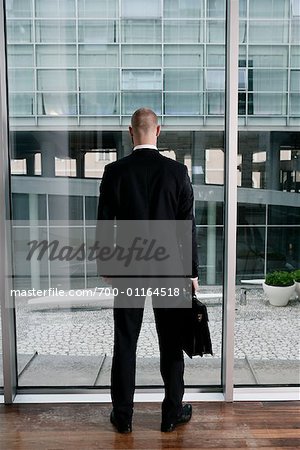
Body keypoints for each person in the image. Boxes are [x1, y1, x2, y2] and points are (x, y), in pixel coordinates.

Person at [97, 108, 199, 433]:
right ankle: (171, 415)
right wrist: (192, 273)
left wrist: (107, 265)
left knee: (125, 343)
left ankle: (123, 417)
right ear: (158, 131)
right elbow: (188, 228)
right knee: (171, 342)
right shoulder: (177, 172)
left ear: (131, 132)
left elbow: (104, 226)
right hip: (170, 270)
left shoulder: (114, 172)